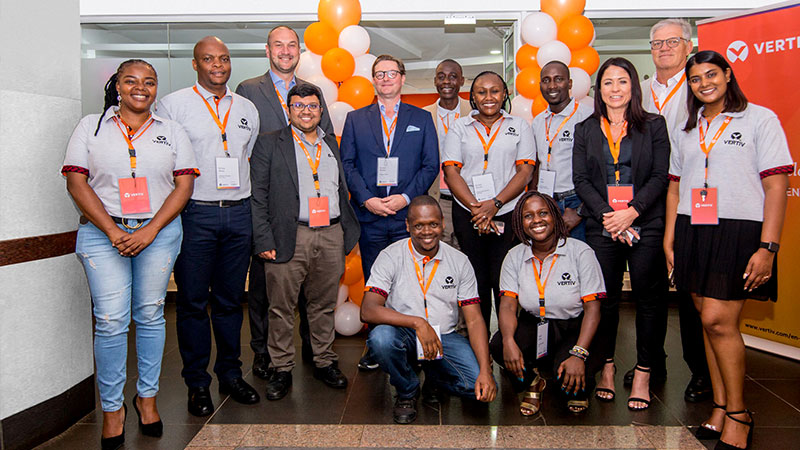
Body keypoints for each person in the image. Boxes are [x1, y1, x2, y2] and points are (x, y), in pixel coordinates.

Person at [62, 59, 197, 450]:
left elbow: (184, 186)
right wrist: (113, 231)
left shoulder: (171, 130)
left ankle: (147, 398)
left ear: (156, 89)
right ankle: (112, 409)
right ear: (117, 86)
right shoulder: (91, 127)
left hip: (159, 231)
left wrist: (150, 230)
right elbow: (76, 182)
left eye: (149, 82)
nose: (141, 88)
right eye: (131, 81)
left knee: (151, 314)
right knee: (110, 321)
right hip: (102, 233)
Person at [666, 50, 791, 450]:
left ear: (728, 74)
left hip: (739, 230)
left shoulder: (759, 119)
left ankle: (739, 413)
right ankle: (720, 407)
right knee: (708, 321)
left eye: (711, 75)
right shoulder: (686, 128)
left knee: (719, 320)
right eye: (696, 78)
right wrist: (670, 238)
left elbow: (776, 186)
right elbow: (675, 186)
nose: (704, 83)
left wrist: (768, 247)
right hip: (692, 227)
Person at [157, 36, 261, 417]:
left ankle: (230, 373)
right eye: (208, 59)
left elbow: (248, 156)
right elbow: (164, 161)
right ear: (195, 64)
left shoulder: (247, 108)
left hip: (239, 212)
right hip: (195, 213)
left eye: (223, 58)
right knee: (193, 302)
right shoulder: (173, 105)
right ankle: (197, 383)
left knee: (231, 301)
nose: (217, 65)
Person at [250, 83, 360, 400]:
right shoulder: (269, 143)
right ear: (289, 110)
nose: (306, 111)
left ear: (321, 110)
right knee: (281, 308)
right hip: (289, 235)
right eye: (298, 106)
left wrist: (345, 233)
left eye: (312, 105)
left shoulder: (331, 143)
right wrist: (263, 239)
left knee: (323, 305)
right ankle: (282, 368)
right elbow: (258, 196)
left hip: (331, 234)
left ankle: (324, 361)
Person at [572, 57, 670, 411]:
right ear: (599, 89)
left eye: (622, 81)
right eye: (608, 82)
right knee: (605, 299)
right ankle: (608, 366)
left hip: (645, 222)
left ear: (633, 87)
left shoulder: (654, 125)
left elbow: (660, 176)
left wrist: (632, 212)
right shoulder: (585, 129)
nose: (615, 89)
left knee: (648, 298)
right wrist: (608, 215)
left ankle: (644, 370)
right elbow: (581, 179)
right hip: (603, 225)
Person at [236, 25, 333, 379]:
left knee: (313, 290)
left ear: (299, 51)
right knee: (266, 291)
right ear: (267, 51)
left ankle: (314, 351)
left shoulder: (313, 91)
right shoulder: (249, 90)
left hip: (310, 207)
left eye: (292, 45)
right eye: (278, 45)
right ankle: (264, 355)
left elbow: (327, 140)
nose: (286, 51)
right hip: (271, 204)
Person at [360, 195, 497, 424]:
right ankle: (407, 390)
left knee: (477, 388)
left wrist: (485, 370)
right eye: (419, 225)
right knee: (381, 339)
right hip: (403, 333)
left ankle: (435, 375)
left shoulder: (459, 261)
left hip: (445, 336)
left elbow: (474, 320)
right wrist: (418, 323)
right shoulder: (390, 256)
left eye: (433, 224)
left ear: (442, 223)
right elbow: (368, 310)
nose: (427, 232)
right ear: (407, 226)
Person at [340, 54, 439, 370]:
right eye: (379, 73)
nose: (385, 78)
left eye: (391, 73)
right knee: (375, 283)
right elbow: (347, 165)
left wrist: (406, 198)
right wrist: (367, 199)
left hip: (407, 219)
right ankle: (376, 346)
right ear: (373, 80)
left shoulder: (421, 118)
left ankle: (413, 346)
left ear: (402, 78)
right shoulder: (356, 119)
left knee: (412, 282)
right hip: (370, 217)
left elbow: (430, 165)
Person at [639, 18, 711, 402]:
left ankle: (701, 370)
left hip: (691, 195)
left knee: (691, 287)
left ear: (689, 45)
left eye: (672, 41)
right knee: (648, 284)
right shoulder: (639, 91)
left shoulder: (699, 86)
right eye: (657, 43)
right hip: (645, 198)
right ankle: (652, 361)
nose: (664, 48)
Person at [490, 191, 604, 415]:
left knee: (569, 384)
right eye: (528, 216)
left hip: (574, 325)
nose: (537, 220)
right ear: (520, 222)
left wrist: (579, 354)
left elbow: (593, 309)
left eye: (543, 213)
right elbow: (508, 305)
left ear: (555, 216)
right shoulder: (514, 256)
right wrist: (509, 341)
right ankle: (533, 382)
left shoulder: (581, 252)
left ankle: (577, 382)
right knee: (499, 345)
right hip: (536, 323)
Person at [442, 71, 535, 335]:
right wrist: (477, 208)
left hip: (507, 212)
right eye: (481, 92)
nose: (488, 97)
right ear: (472, 96)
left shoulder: (520, 126)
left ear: (504, 94)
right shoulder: (459, 127)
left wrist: (495, 204)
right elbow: (451, 172)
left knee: (503, 279)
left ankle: (507, 342)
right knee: (475, 280)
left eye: (495, 91)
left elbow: (525, 172)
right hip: (468, 213)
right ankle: (479, 343)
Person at [531, 61, 593, 242]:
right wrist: (534, 199)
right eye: (546, 80)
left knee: (577, 255)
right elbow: (537, 164)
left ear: (570, 83)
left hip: (574, 202)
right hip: (545, 201)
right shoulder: (538, 121)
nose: (552, 86)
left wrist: (580, 211)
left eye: (558, 79)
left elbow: (598, 171)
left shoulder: (587, 118)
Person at [422, 59, 471, 248]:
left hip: (469, 200)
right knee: (439, 255)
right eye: (441, 77)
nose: (446, 81)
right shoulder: (423, 115)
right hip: (438, 198)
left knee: (468, 255)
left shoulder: (475, 112)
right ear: (435, 81)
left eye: (453, 77)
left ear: (462, 80)